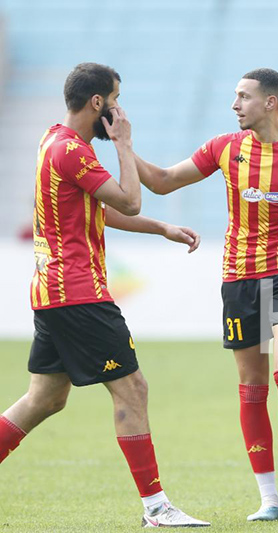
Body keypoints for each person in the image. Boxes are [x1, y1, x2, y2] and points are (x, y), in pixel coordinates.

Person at [0, 62, 208, 528]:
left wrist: (162, 229)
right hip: (80, 294)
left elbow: (102, 206)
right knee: (132, 388)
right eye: (115, 100)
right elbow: (130, 200)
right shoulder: (74, 151)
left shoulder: (51, 140)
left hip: (52, 291)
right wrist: (124, 144)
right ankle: (156, 508)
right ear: (98, 104)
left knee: (45, 399)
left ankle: (156, 507)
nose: (119, 109)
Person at [134, 68, 278, 522]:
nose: (235, 104)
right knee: (252, 387)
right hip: (239, 278)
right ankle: (268, 498)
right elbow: (162, 181)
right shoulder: (224, 148)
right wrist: (125, 146)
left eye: (243, 97)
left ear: (271, 102)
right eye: (235, 97)